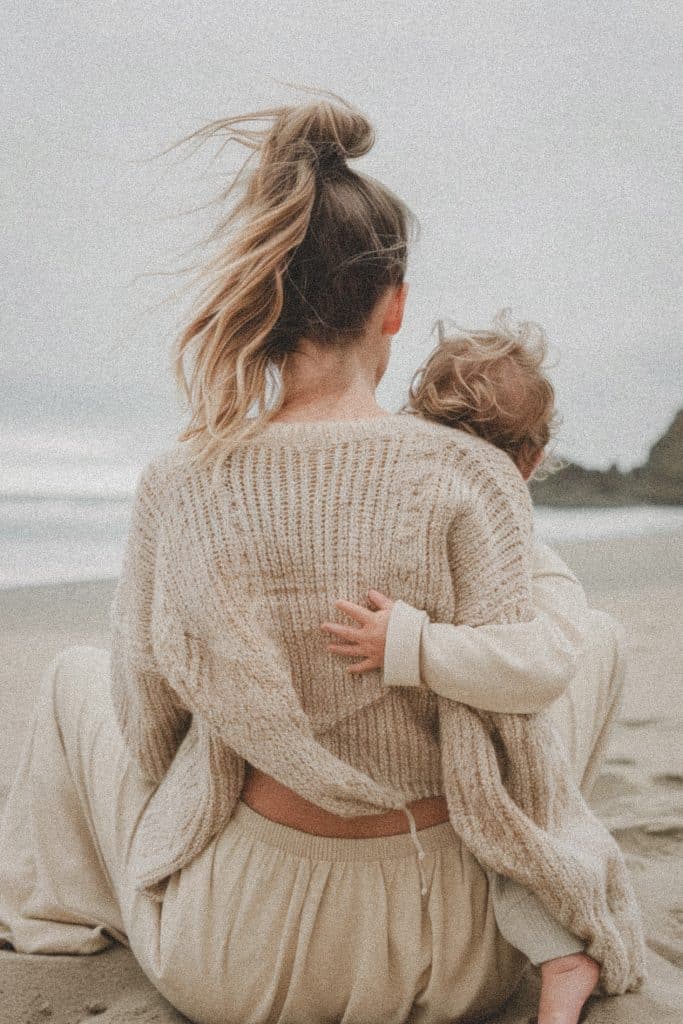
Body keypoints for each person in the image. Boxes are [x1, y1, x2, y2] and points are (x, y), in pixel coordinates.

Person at [0, 95, 644, 1024]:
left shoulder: (181, 482)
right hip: (454, 947)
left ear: (265, 301)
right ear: (394, 306)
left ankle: (61, 918)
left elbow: (149, 730)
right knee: (581, 649)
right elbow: (522, 730)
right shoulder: (472, 473)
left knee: (74, 679)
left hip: (239, 961)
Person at [319, 310, 629, 1024]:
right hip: (455, 791)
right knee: (519, 747)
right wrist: (416, 648)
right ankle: (562, 951)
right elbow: (548, 658)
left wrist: (413, 646)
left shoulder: (397, 519)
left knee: (508, 738)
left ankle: (559, 948)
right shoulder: (518, 547)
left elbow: (542, 657)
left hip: (414, 789)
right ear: (530, 461)